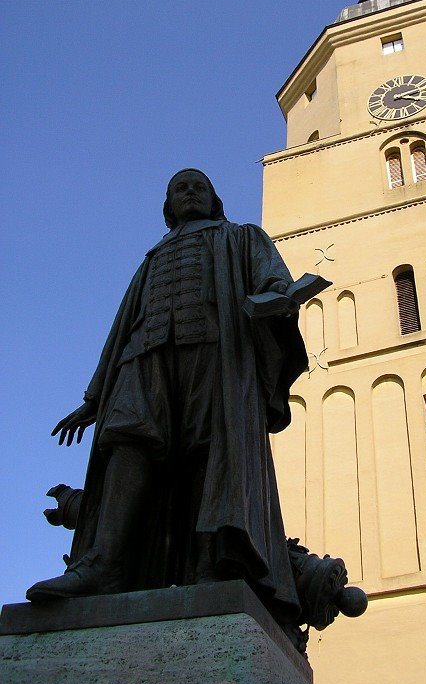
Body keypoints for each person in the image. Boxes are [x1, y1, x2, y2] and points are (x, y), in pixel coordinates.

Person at [27, 169, 308, 623]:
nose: (191, 192)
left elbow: (273, 279)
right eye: (181, 188)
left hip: (216, 353)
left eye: (200, 186)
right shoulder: (152, 257)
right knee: (126, 441)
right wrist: (96, 397)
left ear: (214, 200)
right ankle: (104, 565)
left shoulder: (240, 236)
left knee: (209, 453)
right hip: (145, 358)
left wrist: (278, 294)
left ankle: (209, 565)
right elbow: (120, 328)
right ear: (168, 205)